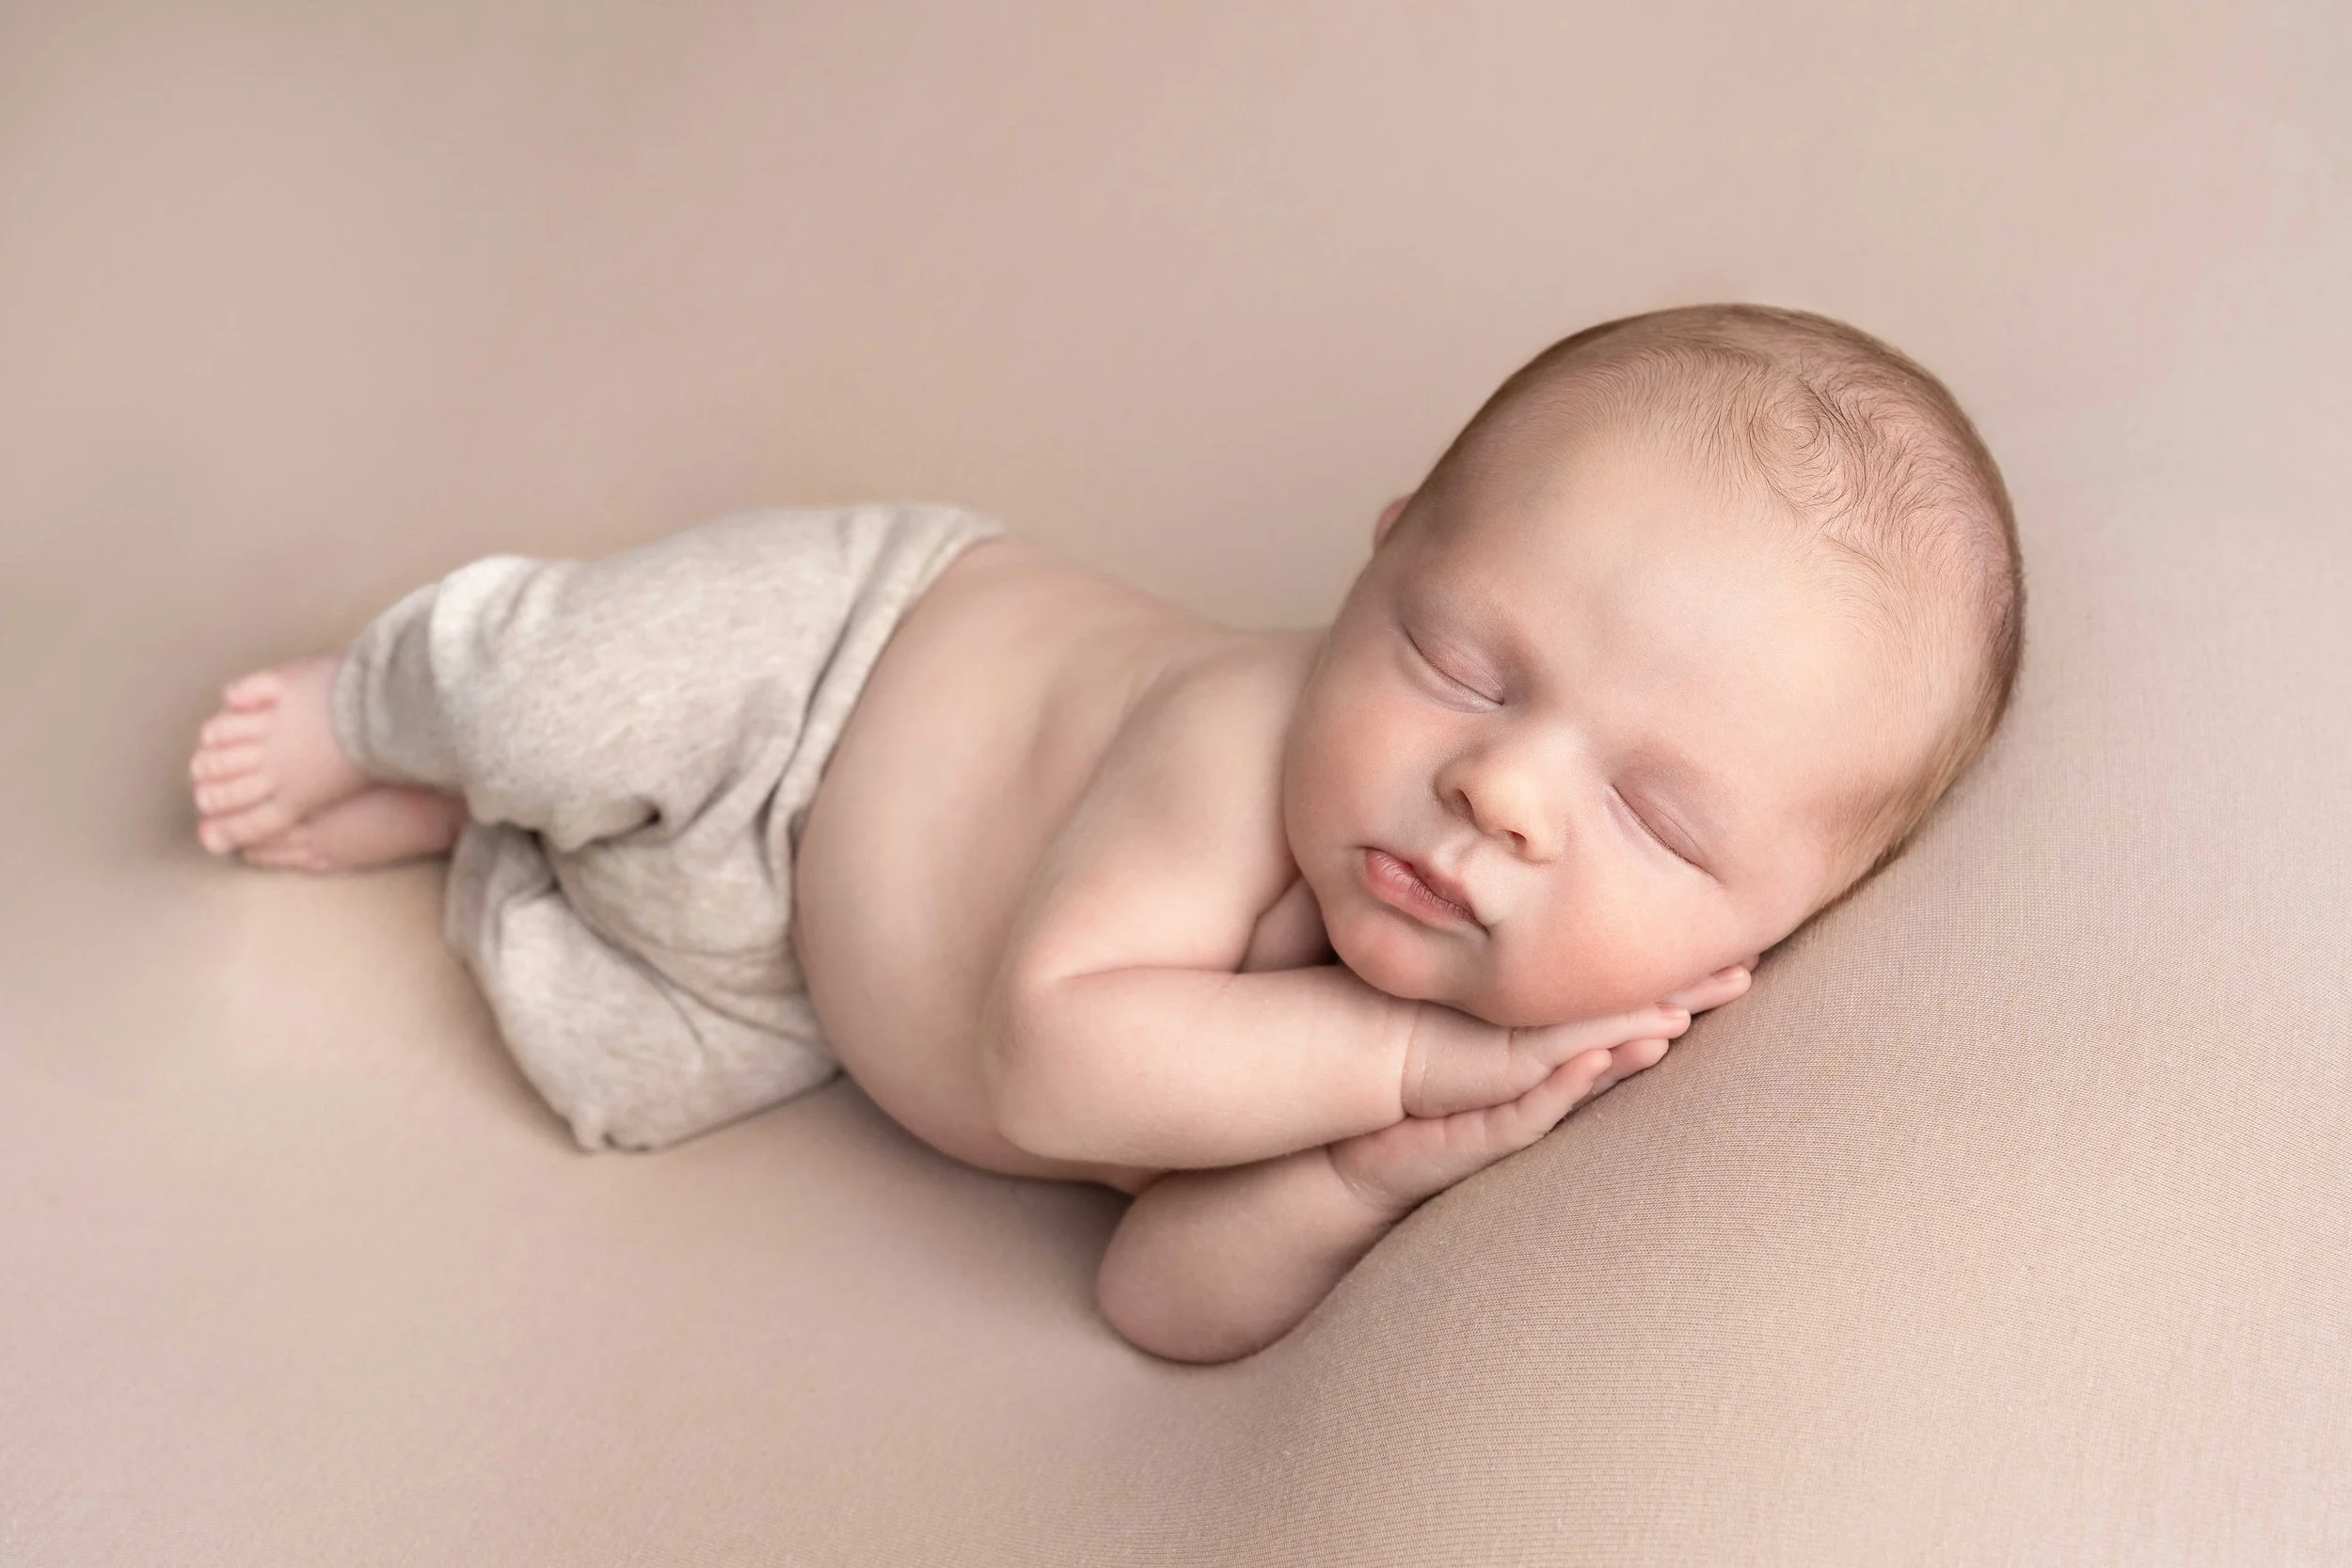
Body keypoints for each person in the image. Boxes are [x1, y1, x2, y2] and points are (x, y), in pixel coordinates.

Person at [183, 302, 2025, 1364]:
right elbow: (1053, 1068)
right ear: (1381, 548)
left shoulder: (1459, 1040)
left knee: (612, 1064)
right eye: (1457, 661)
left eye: (1652, 814)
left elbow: (1158, 1296)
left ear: (1779, 923)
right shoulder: (1246, 743)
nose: (1502, 787)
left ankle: (485, 822)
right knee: (570, 698)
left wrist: (1369, 1171)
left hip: (799, 968)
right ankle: (397, 701)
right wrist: (1396, 1063)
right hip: (832, 668)